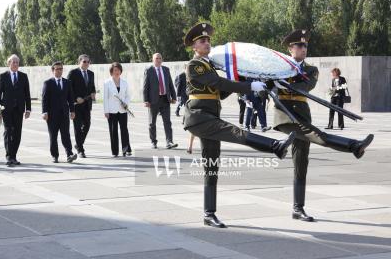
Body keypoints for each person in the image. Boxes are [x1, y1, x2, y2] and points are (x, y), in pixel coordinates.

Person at [183, 22, 296, 228]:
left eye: (208, 40)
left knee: (211, 165)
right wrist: (247, 85)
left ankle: (209, 214)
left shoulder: (209, 67)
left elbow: (222, 92)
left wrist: (248, 79)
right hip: (199, 117)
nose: (206, 43)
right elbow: (220, 84)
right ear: (194, 47)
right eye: (202, 41)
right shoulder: (195, 65)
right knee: (236, 133)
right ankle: (275, 146)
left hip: (209, 116)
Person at [273, 29, 374, 222]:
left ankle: (297, 208)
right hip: (285, 117)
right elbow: (264, 91)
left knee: (301, 163)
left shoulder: (311, 69)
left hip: (302, 114)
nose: (304, 48)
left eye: (305, 46)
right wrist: (265, 84)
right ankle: (353, 146)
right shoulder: (276, 67)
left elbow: (305, 87)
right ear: (290, 48)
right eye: (300, 45)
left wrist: (283, 82)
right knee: (317, 135)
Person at [0, 54, 31, 167]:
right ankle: (9, 156)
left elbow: (27, 94)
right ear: (9, 63)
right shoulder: (3, 76)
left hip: (19, 109)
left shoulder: (23, 76)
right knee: (8, 131)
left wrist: (28, 109)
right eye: (13, 62)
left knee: (17, 133)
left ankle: (14, 156)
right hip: (6, 109)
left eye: (17, 62)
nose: (15, 64)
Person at [42, 61, 77, 163]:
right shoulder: (48, 83)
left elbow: (71, 98)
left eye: (61, 69)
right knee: (53, 136)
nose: (59, 71)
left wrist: (72, 111)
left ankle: (69, 154)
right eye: (57, 69)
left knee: (66, 135)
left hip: (64, 114)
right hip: (52, 115)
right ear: (53, 70)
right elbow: (45, 99)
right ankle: (55, 155)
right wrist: (44, 112)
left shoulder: (67, 82)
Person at [143, 53, 178, 149]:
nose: (158, 60)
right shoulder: (149, 70)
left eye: (160, 58)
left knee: (167, 122)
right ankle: (153, 142)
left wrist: (174, 97)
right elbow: (145, 86)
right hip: (153, 100)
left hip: (165, 99)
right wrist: (146, 100)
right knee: (152, 123)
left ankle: (169, 142)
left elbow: (170, 84)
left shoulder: (166, 70)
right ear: (153, 60)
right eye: (156, 58)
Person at [68, 54, 96, 158]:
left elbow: (92, 87)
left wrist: (93, 93)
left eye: (88, 62)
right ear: (79, 62)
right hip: (76, 105)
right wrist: (75, 99)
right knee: (77, 127)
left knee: (87, 125)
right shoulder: (73, 73)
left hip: (87, 105)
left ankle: (78, 144)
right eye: (84, 61)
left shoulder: (91, 74)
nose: (86, 63)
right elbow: (69, 89)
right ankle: (80, 149)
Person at [103, 62, 132, 157]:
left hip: (123, 110)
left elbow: (128, 96)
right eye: (115, 70)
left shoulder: (125, 82)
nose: (117, 72)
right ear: (111, 72)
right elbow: (105, 98)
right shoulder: (107, 83)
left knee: (124, 130)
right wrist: (106, 111)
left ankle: (126, 149)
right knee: (113, 131)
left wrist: (126, 104)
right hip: (111, 111)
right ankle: (115, 151)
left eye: (119, 70)